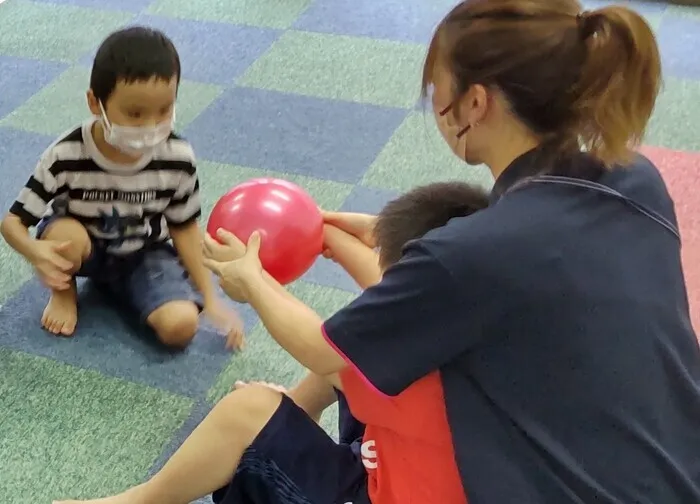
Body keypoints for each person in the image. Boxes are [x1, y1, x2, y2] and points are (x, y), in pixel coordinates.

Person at [205, 2, 700, 503]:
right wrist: (389, 235)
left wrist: (253, 281)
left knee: (266, 443)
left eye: (436, 89)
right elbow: (543, 267)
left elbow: (325, 349)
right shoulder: (635, 180)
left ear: (475, 102)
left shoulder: (471, 254)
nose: (434, 104)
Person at [52, 180, 490, 504]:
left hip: (374, 494)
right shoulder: (477, 320)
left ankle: (140, 501)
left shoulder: (407, 365)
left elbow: (324, 344)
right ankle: (297, 411)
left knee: (249, 412)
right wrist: (324, 232)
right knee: (344, 359)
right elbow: (388, 289)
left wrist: (254, 282)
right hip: (406, 462)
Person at [0, 27, 241, 349]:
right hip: (85, 247)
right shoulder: (66, 154)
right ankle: (65, 293)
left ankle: (128, 290)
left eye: (164, 110)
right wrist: (36, 253)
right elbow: (13, 222)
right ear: (95, 103)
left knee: (180, 328)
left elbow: (184, 227)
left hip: (144, 253)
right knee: (65, 238)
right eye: (135, 114)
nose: (150, 126)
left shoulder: (178, 157)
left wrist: (209, 297)